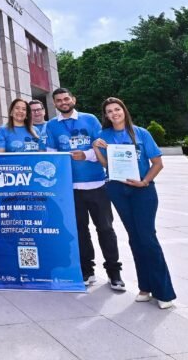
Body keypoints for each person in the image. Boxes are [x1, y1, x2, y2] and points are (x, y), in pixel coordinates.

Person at [92, 97, 175, 308]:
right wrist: (96, 148)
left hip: (143, 190)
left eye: (117, 109)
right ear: (106, 115)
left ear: (124, 110)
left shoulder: (141, 133)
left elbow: (157, 163)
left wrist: (144, 181)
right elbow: (106, 165)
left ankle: (164, 293)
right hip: (118, 190)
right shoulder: (103, 135)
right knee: (134, 238)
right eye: (109, 111)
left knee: (147, 238)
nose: (114, 114)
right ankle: (145, 287)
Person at [45, 88, 124, 290]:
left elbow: (101, 146)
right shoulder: (51, 126)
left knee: (105, 229)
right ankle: (87, 271)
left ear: (73, 99)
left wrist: (86, 155)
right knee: (80, 231)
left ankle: (114, 273)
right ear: (54, 104)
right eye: (59, 100)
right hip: (70, 188)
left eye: (66, 98)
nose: (63, 102)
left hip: (97, 184)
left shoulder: (90, 119)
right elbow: (51, 154)